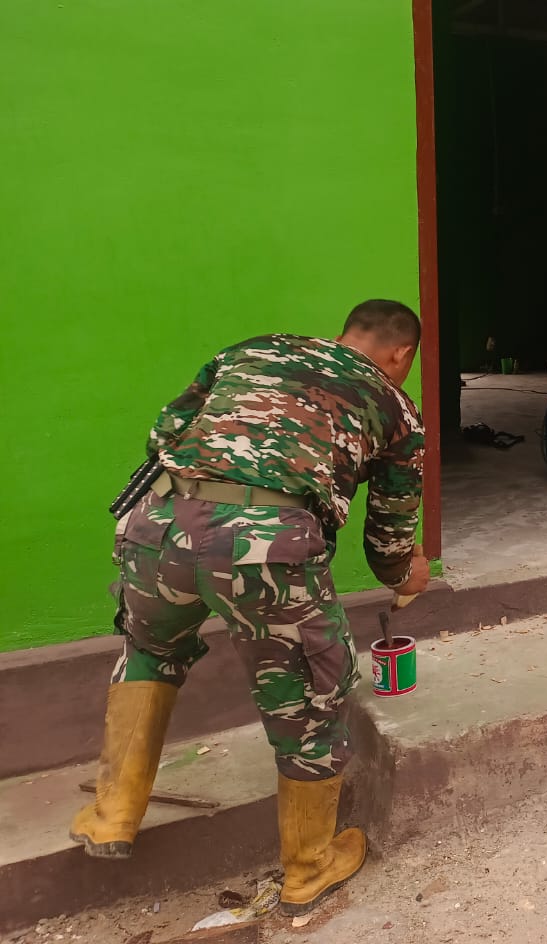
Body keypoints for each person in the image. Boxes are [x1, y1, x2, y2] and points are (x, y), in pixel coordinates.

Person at [70, 300, 431, 914]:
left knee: (150, 651)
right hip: (263, 544)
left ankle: (112, 815)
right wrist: (406, 573)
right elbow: (390, 531)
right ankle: (309, 868)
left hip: (157, 522)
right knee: (309, 699)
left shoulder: (256, 349)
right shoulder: (395, 407)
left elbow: (165, 432)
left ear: (346, 333)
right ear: (402, 354)